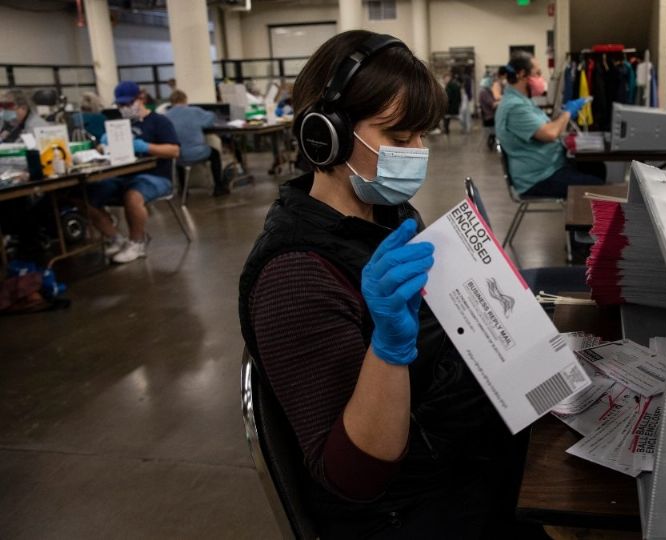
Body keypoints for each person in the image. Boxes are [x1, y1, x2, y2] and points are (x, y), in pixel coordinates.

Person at [238, 31, 543, 538]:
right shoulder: (294, 275)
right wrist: (388, 348)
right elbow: (357, 476)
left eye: (422, 135)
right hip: (408, 511)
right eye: (399, 139)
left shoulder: (387, 213)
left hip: (456, 450)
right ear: (325, 135)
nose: (417, 153)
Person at [88, 81, 180, 264]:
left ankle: (137, 243)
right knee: (86, 196)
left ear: (141, 98)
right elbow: (103, 149)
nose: (125, 108)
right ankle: (115, 238)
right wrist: (102, 146)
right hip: (122, 176)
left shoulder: (159, 122)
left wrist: (145, 146)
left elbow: (174, 151)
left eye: (128, 103)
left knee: (133, 196)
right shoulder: (120, 125)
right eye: (121, 105)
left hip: (157, 176)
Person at [494, 52, 603, 198]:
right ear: (521, 74)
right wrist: (567, 113)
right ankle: (581, 218)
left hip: (548, 168)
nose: (542, 79)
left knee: (597, 168)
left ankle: (582, 218)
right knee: (598, 187)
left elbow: (546, 127)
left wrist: (562, 118)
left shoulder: (523, 100)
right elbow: (549, 133)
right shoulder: (515, 107)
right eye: (537, 74)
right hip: (538, 178)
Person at [164, 89, 227, 196]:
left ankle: (183, 189)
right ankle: (218, 187)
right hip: (197, 152)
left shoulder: (165, 116)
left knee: (178, 155)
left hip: (177, 156)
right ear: (185, 100)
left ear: (171, 102)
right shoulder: (194, 111)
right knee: (215, 154)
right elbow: (211, 118)